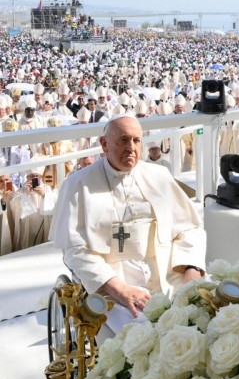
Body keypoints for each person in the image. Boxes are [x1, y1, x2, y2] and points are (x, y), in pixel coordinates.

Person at [50, 115, 206, 330]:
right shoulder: (78, 184)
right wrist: (119, 289)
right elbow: (75, 250)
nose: (131, 148)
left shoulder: (159, 175)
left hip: (169, 273)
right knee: (139, 337)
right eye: (123, 140)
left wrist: (191, 272)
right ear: (104, 144)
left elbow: (190, 228)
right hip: (113, 284)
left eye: (136, 140)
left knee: (207, 314)